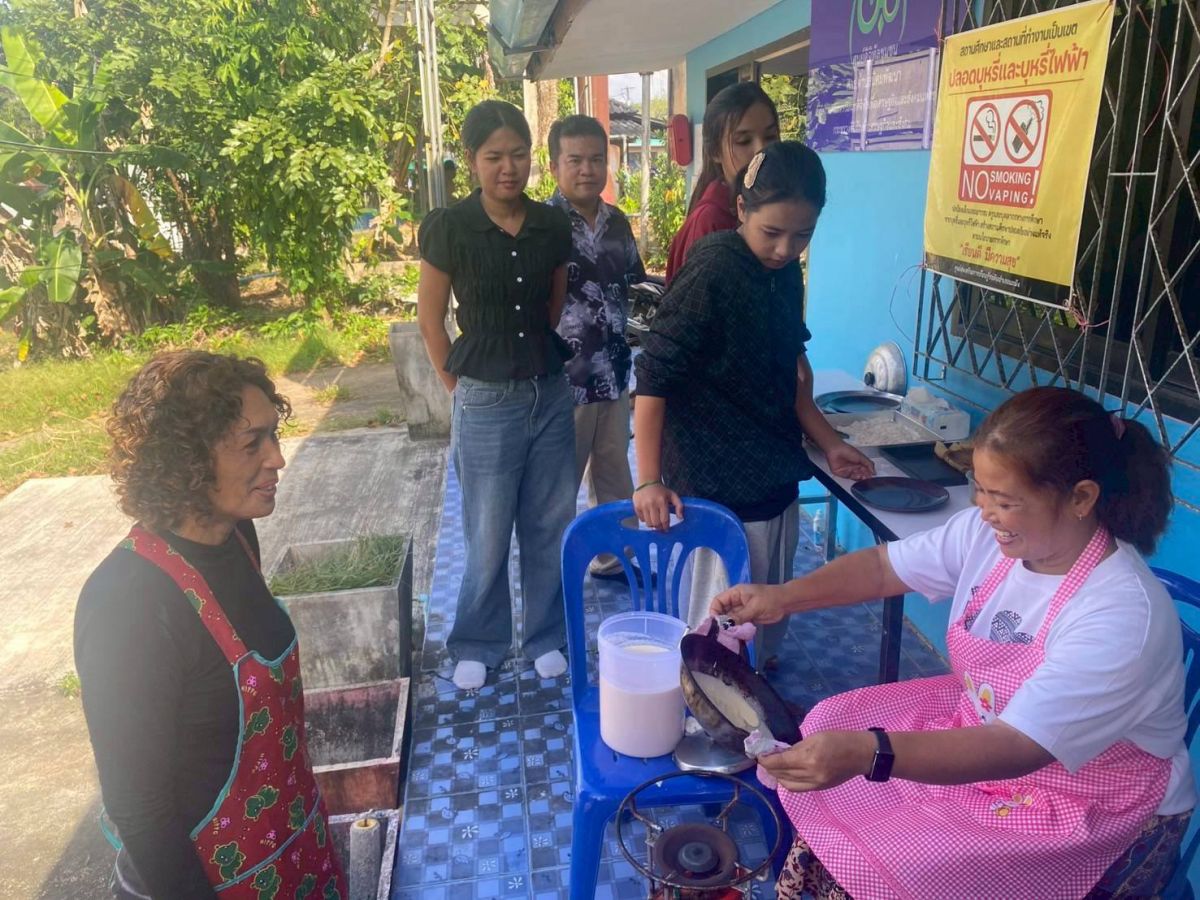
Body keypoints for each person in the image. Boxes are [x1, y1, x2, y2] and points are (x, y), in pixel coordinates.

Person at [713, 386, 1196, 900]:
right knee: (831, 720)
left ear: (1081, 498)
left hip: (1084, 795)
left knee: (903, 852)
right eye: (979, 490)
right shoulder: (990, 536)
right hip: (989, 725)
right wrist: (783, 597)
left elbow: (1017, 746)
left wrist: (869, 752)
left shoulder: (1120, 615)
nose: (984, 511)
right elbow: (883, 568)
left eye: (1004, 501)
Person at [76, 351, 346, 900]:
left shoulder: (238, 537)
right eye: (252, 444)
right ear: (187, 459)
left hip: (298, 851)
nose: (277, 459)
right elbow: (139, 808)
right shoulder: (126, 602)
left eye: (274, 435)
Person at [633, 141, 874, 666]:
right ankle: (710, 693)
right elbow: (652, 376)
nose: (786, 249)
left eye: (803, 235)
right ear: (741, 209)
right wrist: (648, 480)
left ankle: (751, 683)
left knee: (764, 609)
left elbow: (792, 373)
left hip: (772, 474)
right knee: (716, 624)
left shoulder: (784, 274)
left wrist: (830, 443)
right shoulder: (712, 270)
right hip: (715, 482)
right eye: (772, 232)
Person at [417, 99, 576, 691]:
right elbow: (431, 321)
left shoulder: (551, 224)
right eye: (494, 157)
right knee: (486, 532)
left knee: (548, 524)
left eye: (518, 154)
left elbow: (553, 305)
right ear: (472, 160)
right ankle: (479, 643)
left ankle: (545, 638)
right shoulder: (450, 227)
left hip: (549, 392)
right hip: (484, 399)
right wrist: (460, 390)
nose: (508, 168)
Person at [546, 114, 646, 579]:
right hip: (565, 379)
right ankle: (553, 573)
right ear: (554, 166)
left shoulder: (617, 223)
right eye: (575, 160)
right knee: (559, 484)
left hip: (615, 372)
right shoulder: (542, 225)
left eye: (596, 159)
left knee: (614, 474)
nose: (587, 169)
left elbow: (635, 283)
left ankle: (615, 561)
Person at [664, 82, 780, 284]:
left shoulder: (774, 205)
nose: (761, 151)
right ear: (715, 152)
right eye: (744, 141)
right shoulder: (711, 220)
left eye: (770, 137)